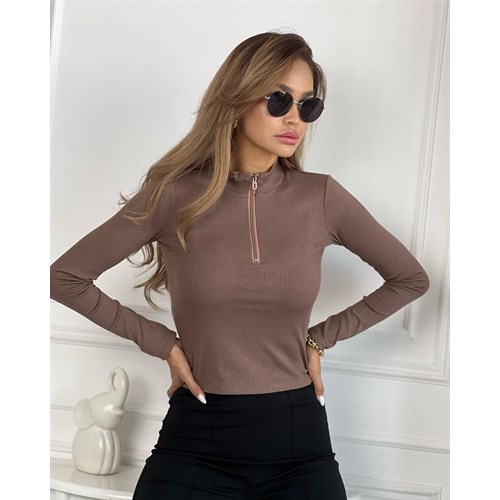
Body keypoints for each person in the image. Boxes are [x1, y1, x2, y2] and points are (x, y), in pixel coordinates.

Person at [50, 31, 430, 500]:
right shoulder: (173, 194)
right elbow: (65, 278)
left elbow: (410, 279)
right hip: (196, 438)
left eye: (308, 106)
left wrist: (319, 338)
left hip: (298, 442)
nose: (294, 118)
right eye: (279, 100)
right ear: (235, 100)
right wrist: (163, 343)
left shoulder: (321, 197)